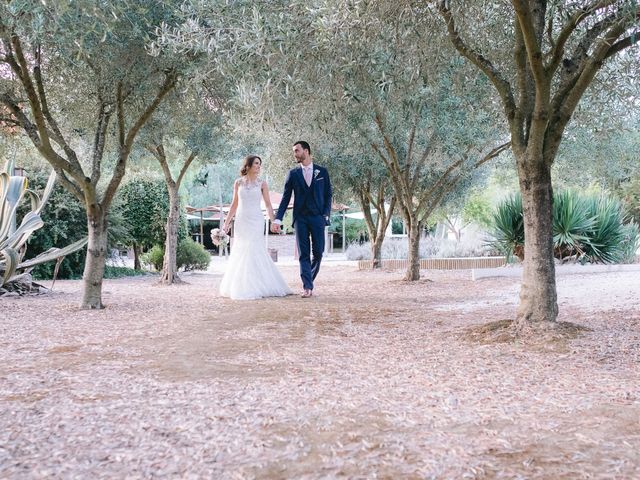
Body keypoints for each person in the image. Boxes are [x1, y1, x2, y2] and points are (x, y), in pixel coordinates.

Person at [219, 155, 292, 300]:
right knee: (241, 249)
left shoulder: (262, 184)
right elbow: (234, 204)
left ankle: (259, 284)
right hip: (241, 220)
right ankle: (240, 285)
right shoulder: (238, 183)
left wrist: (274, 221)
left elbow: (268, 204)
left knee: (254, 248)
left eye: (260, 164)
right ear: (249, 165)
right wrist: (226, 224)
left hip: (256, 220)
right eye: (256, 163)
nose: (259, 166)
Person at [271, 141, 332, 298]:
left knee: (318, 253)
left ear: (306, 151)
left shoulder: (322, 172)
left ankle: (308, 279)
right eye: (294, 151)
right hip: (300, 218)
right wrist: (278, 219)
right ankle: (307, 286)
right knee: (303, 254)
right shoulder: (293, 174)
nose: (295, 154)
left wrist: (325, 215)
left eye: (297, 151)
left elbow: (328, 195)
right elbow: (285, 198)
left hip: (318, 217)